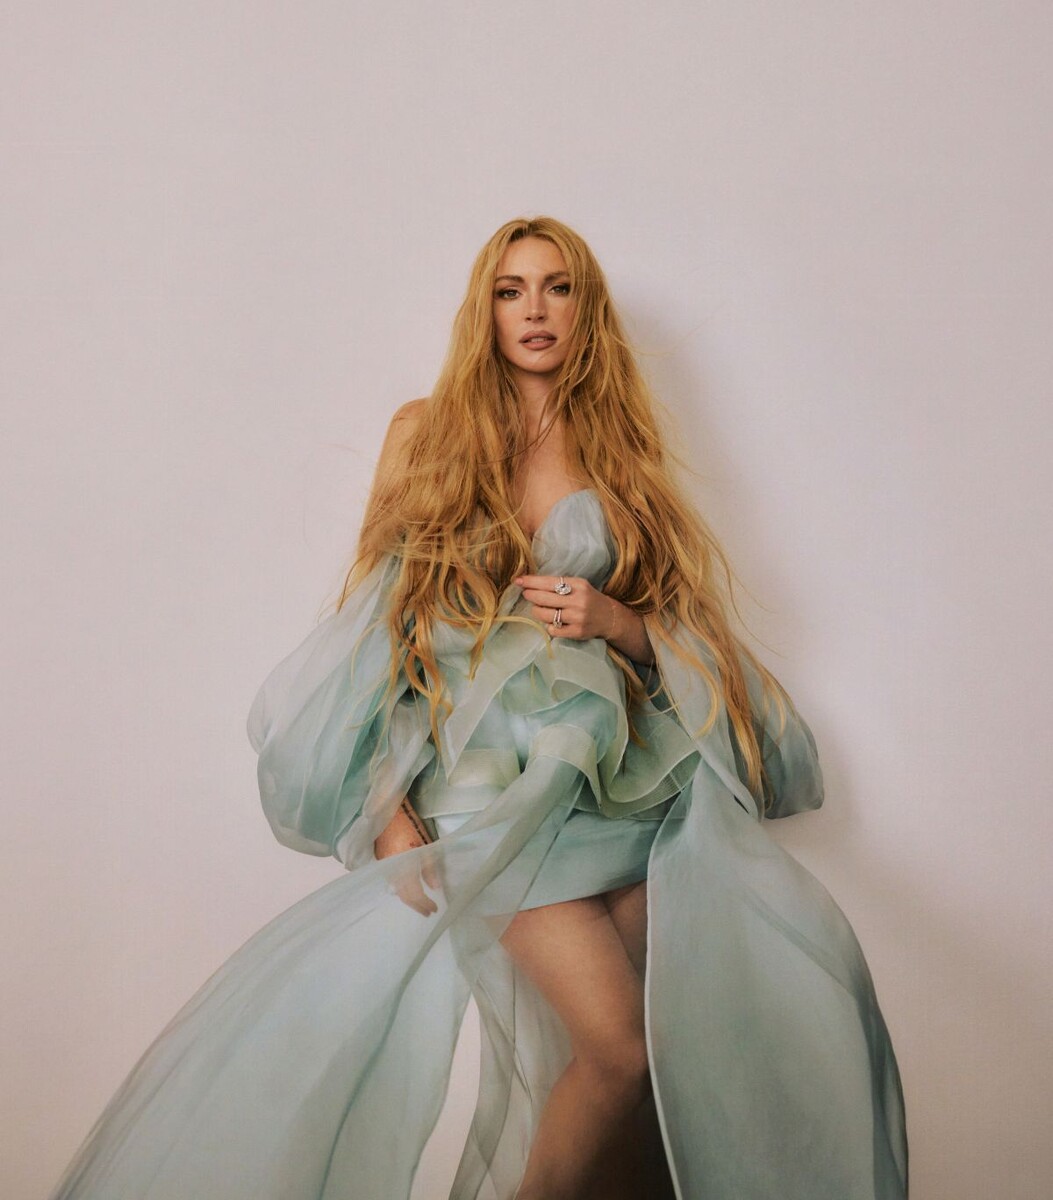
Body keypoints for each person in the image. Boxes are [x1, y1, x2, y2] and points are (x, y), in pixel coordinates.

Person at [50, 216, 908, 1200]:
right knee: (619, 1053)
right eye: (511, 290)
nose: (534, 310)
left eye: (556, 287)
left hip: (615, 791)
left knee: (655, 1070)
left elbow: (676, 625)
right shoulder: (427, 432)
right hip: (487, 799)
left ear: (586, 309)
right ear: (484, 311)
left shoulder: (619, 449)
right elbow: (379, 628)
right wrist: (385, 806)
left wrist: (617, 620)